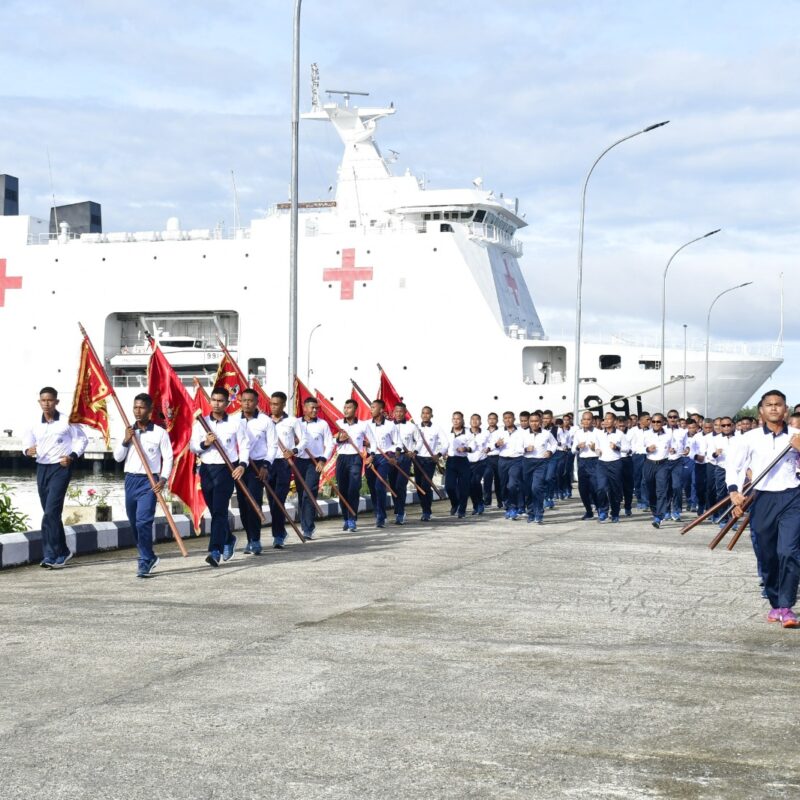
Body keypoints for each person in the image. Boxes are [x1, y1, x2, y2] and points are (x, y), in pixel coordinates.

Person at [727, 389, 800, 628]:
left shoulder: (798, 435)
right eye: (769, 404)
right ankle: (775, 603)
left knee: (788, 551)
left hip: (792, 497)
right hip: (762, 498)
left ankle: (787, 607)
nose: (774, 408)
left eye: (778, 404)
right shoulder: (750, 437)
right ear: (761, 410)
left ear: (785, 409)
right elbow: (735, 466)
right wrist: (734, 491)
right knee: (767, 555)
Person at [22, 386, 88, 569]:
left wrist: (72, 456)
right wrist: (28, 451)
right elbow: (26, 444)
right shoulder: (33, 422)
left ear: (56, 401)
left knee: (51, 512)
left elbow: (82, 440)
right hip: (42, 468)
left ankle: (50, 555)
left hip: (60, 468)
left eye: (50, 400)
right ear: (39, 402)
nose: (46, 403)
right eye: (43, 400)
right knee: (50, 513)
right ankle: (64, 551)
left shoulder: (67, 420)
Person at [113, 393, 173, 577]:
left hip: (150, 481)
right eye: (135, 407)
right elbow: (117, 457)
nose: (137, 411)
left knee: (143, 522)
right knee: (134, 522)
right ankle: (149, 555)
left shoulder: (160, 433)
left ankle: (145, 560)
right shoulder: (128, 431)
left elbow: (168, 457)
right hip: (131, 480)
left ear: (150, 410)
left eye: (141, 408)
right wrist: (125, 440)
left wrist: (163, 479)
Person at [190, 386, 250, 566]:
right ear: (210, 402)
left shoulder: (235, 423)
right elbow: (193, 447)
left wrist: (242, 465)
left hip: (226, 469)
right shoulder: (200, 423)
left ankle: (215, 550)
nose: (216, 404)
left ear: (227, 403)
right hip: (207, 470)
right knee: (214, 510)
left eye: (220, 401)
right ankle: (229, 539)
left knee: (219, 510)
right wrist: (205, 443)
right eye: (214, 400)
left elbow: (244, 445)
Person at [239, 388, 277, 555]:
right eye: (244, 400)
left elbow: (273, 445)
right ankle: (249, 538)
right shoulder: (234, 421)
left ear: (257, 402)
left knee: (253, 502)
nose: (247, 403)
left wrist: (266, 465)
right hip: (240, 467)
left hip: (258, 466)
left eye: (250, 400)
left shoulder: (265, 421)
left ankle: (255, 539)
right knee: (242, 504)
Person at [268, 391, 308, 548]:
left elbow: (304, 439)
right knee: (272, 501)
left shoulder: (292, 421)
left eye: (276, 404)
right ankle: (281, 531)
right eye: (271, 404)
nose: (273, 407)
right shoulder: (265, 421)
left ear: (284, 405)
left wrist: (294, 450)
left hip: (284, 464)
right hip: (268, 463)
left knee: (279, 499)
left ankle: (278, 535)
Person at [297, 396, 334, 540]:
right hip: (299, 460)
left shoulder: (322, 424)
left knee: (309, 493)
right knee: (301, 494)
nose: (314, 410)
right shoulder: (296, 423)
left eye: (316, 408)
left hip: (315, 462)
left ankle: (308, 528)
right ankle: (304, 523)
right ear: (304, 408)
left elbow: (330, 443)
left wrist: (323, 460)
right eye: (311, 408)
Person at [334, 398, 369, 531]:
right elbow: (330, 441)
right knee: (342, 490)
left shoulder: (363, 425)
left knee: (353, 489)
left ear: (355, 410)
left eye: (349, 408)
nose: (346, 410)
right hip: (342, 458)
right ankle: (346, 518)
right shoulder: (337, 424)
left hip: (356, 458)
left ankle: (352, 519)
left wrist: (370, 454)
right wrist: (338, 439)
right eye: (345, 407)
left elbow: (373, 441)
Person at [364, 398, 396, 528]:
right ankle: (378, 512)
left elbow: (397, 442)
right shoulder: (366, 424)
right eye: (370, 407)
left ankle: (381, 516)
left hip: (385, 457)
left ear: (381, 410)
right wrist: (364, 444)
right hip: (370, 458)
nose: (371, 410)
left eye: (373, 407)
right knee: (372, 486)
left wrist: (393, 455)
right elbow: (359, 440)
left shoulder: (390, 425)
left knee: (379, 485)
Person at [521, 411, 556, 524]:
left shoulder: (546, 433)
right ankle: (531, 512)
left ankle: (539, 513)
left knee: (537, 487)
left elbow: (554, 443)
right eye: (532, 421)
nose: (534, 423)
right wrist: (526, 449)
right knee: (527, 489)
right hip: (527, 462)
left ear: (540, 421)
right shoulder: (523, 434)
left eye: (536, 421)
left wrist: (550, 451)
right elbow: (516, 448)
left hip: (541, 463)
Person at [412, 406, 446, 521]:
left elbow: (446, 443)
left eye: (428, 413)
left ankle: (427, 511)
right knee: (419, 486)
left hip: (429, 460)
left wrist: (439, 454)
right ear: (421, 415)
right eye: (423, 413)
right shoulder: (415, 427)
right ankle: (424, 509)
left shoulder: (437, 428)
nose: (425, 415)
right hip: (417, 459)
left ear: (432, 415)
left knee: (426, 486)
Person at [493, 411, 525, 520]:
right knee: (503, 485)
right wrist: (497, 444)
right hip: (502, 460)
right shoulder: (498, 432)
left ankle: (513, 507)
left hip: (517, 460)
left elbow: (525, 445)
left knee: (512, 484)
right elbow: (491, 446)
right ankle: (507, 505)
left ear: (514, 419)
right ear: (503, 420)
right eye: (505, 418)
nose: (507, 420)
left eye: (509, 418)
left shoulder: (521, 432)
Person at [389, 402, 416, 525]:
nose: (398, 414)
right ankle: (398, 509)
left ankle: (401, 512)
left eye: (401, 411)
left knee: (400, 485)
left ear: (405, 412)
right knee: (393, 485)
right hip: (391, 457)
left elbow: (419, 441)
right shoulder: (388, 425)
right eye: (396, 411)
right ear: (393, 412)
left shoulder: (411, 426)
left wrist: (413, 451)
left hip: (404, 458)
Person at [596, 412, 625, 523]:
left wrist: (616, 447)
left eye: (609, 419)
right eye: (605, 419)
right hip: (602, 463)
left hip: (615, 463)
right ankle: (603, 511)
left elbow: (627, 449)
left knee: (615, 490)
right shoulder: (599, 434)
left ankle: (615, 512)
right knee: (601, 488)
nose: (606, 421)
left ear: (614, 421)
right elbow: (597, 447)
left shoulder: (619, 434)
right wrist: (597, 450)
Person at [643, 413, 671, 528]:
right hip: (649, 463)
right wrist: (647, 449)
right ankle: (655, 511)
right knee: (650, 491)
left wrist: (673, 450)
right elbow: (635, 447)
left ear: (663, 422)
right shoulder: (646, 434)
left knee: (661, 491)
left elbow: (675, 446)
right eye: (653, 421)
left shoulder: (669, 435)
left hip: (663, 464)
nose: (655, 424)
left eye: (658, 421)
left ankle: (659, 517)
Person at [573, 411, 601, 520]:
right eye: (584, 419)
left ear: (593, 421)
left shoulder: (599, 433)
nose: (586, 421)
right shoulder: (578, 433)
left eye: (588, 419)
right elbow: (572, 450)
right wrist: (578, 447)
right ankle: (588, 511)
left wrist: (595, 449)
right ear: (581, 421)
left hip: (595, 461)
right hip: (582, 461)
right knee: (582, 489)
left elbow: (603, 451)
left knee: (594, 487)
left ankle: (599, 508)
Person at [444, 412, 471, 518]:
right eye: (454, 419)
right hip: (451, 461)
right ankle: (455, 503)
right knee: (449, 487)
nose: (456, 421)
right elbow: (443, 444)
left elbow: (473, 445)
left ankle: (462, 510)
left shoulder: (468, 433)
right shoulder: (447, 432)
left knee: (463, 487)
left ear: (462, 420)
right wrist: (442, 453)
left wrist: (466, 448)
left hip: (463, 461)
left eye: (458, 419)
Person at [665, 409, 690, 522]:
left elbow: (687, 444)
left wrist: (687, 449)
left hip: (678, 460)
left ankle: (676, 510)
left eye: (675, 417)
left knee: (677, 486)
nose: (672, 419)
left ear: (678, 418)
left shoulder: (683, 432)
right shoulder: (661, 430)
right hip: (664, 461)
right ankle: (665, 511)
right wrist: (667, 449)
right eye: (670, 417)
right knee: (665, 487)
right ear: (667, 418)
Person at [466, 414, 490, 515]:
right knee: (470, 484)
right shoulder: (465, 433)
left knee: (475, 481)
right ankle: (475, 505)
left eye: (477, 419)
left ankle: (480, 503)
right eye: (473, 419)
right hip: (467, 462)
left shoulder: (486, 433)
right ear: (470, 422)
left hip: (481, 461)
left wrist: (489, 448)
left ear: (480, 422)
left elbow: (491, 443)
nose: (475, 421)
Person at [483, 412, 503, 509]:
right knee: (487, 479)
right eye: (490, 419)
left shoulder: (501, 432)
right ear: (487, 420)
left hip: (498, 457)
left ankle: (500, 501)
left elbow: (500, 444)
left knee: (499, 480)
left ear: (497, 420)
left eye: (494, 419)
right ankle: (487, 502)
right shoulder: (483, 432)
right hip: (487, 458)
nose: (492, 420)